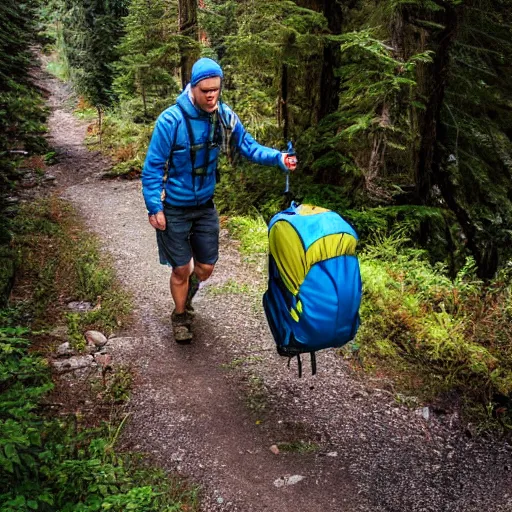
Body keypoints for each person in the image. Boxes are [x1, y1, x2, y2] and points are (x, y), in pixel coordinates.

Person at [141, 57, 297, 343]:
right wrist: (154, 206)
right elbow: (152, 167)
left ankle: (187, 295)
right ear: (193, 88)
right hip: (174, 207)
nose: (212, 95)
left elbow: (249, 147)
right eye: (205, 90)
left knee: (206, 267)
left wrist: (279, 158)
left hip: (205, 207)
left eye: (216, 89)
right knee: (181, 268)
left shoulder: (224, 116)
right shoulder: (170, 121)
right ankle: (180, 316)